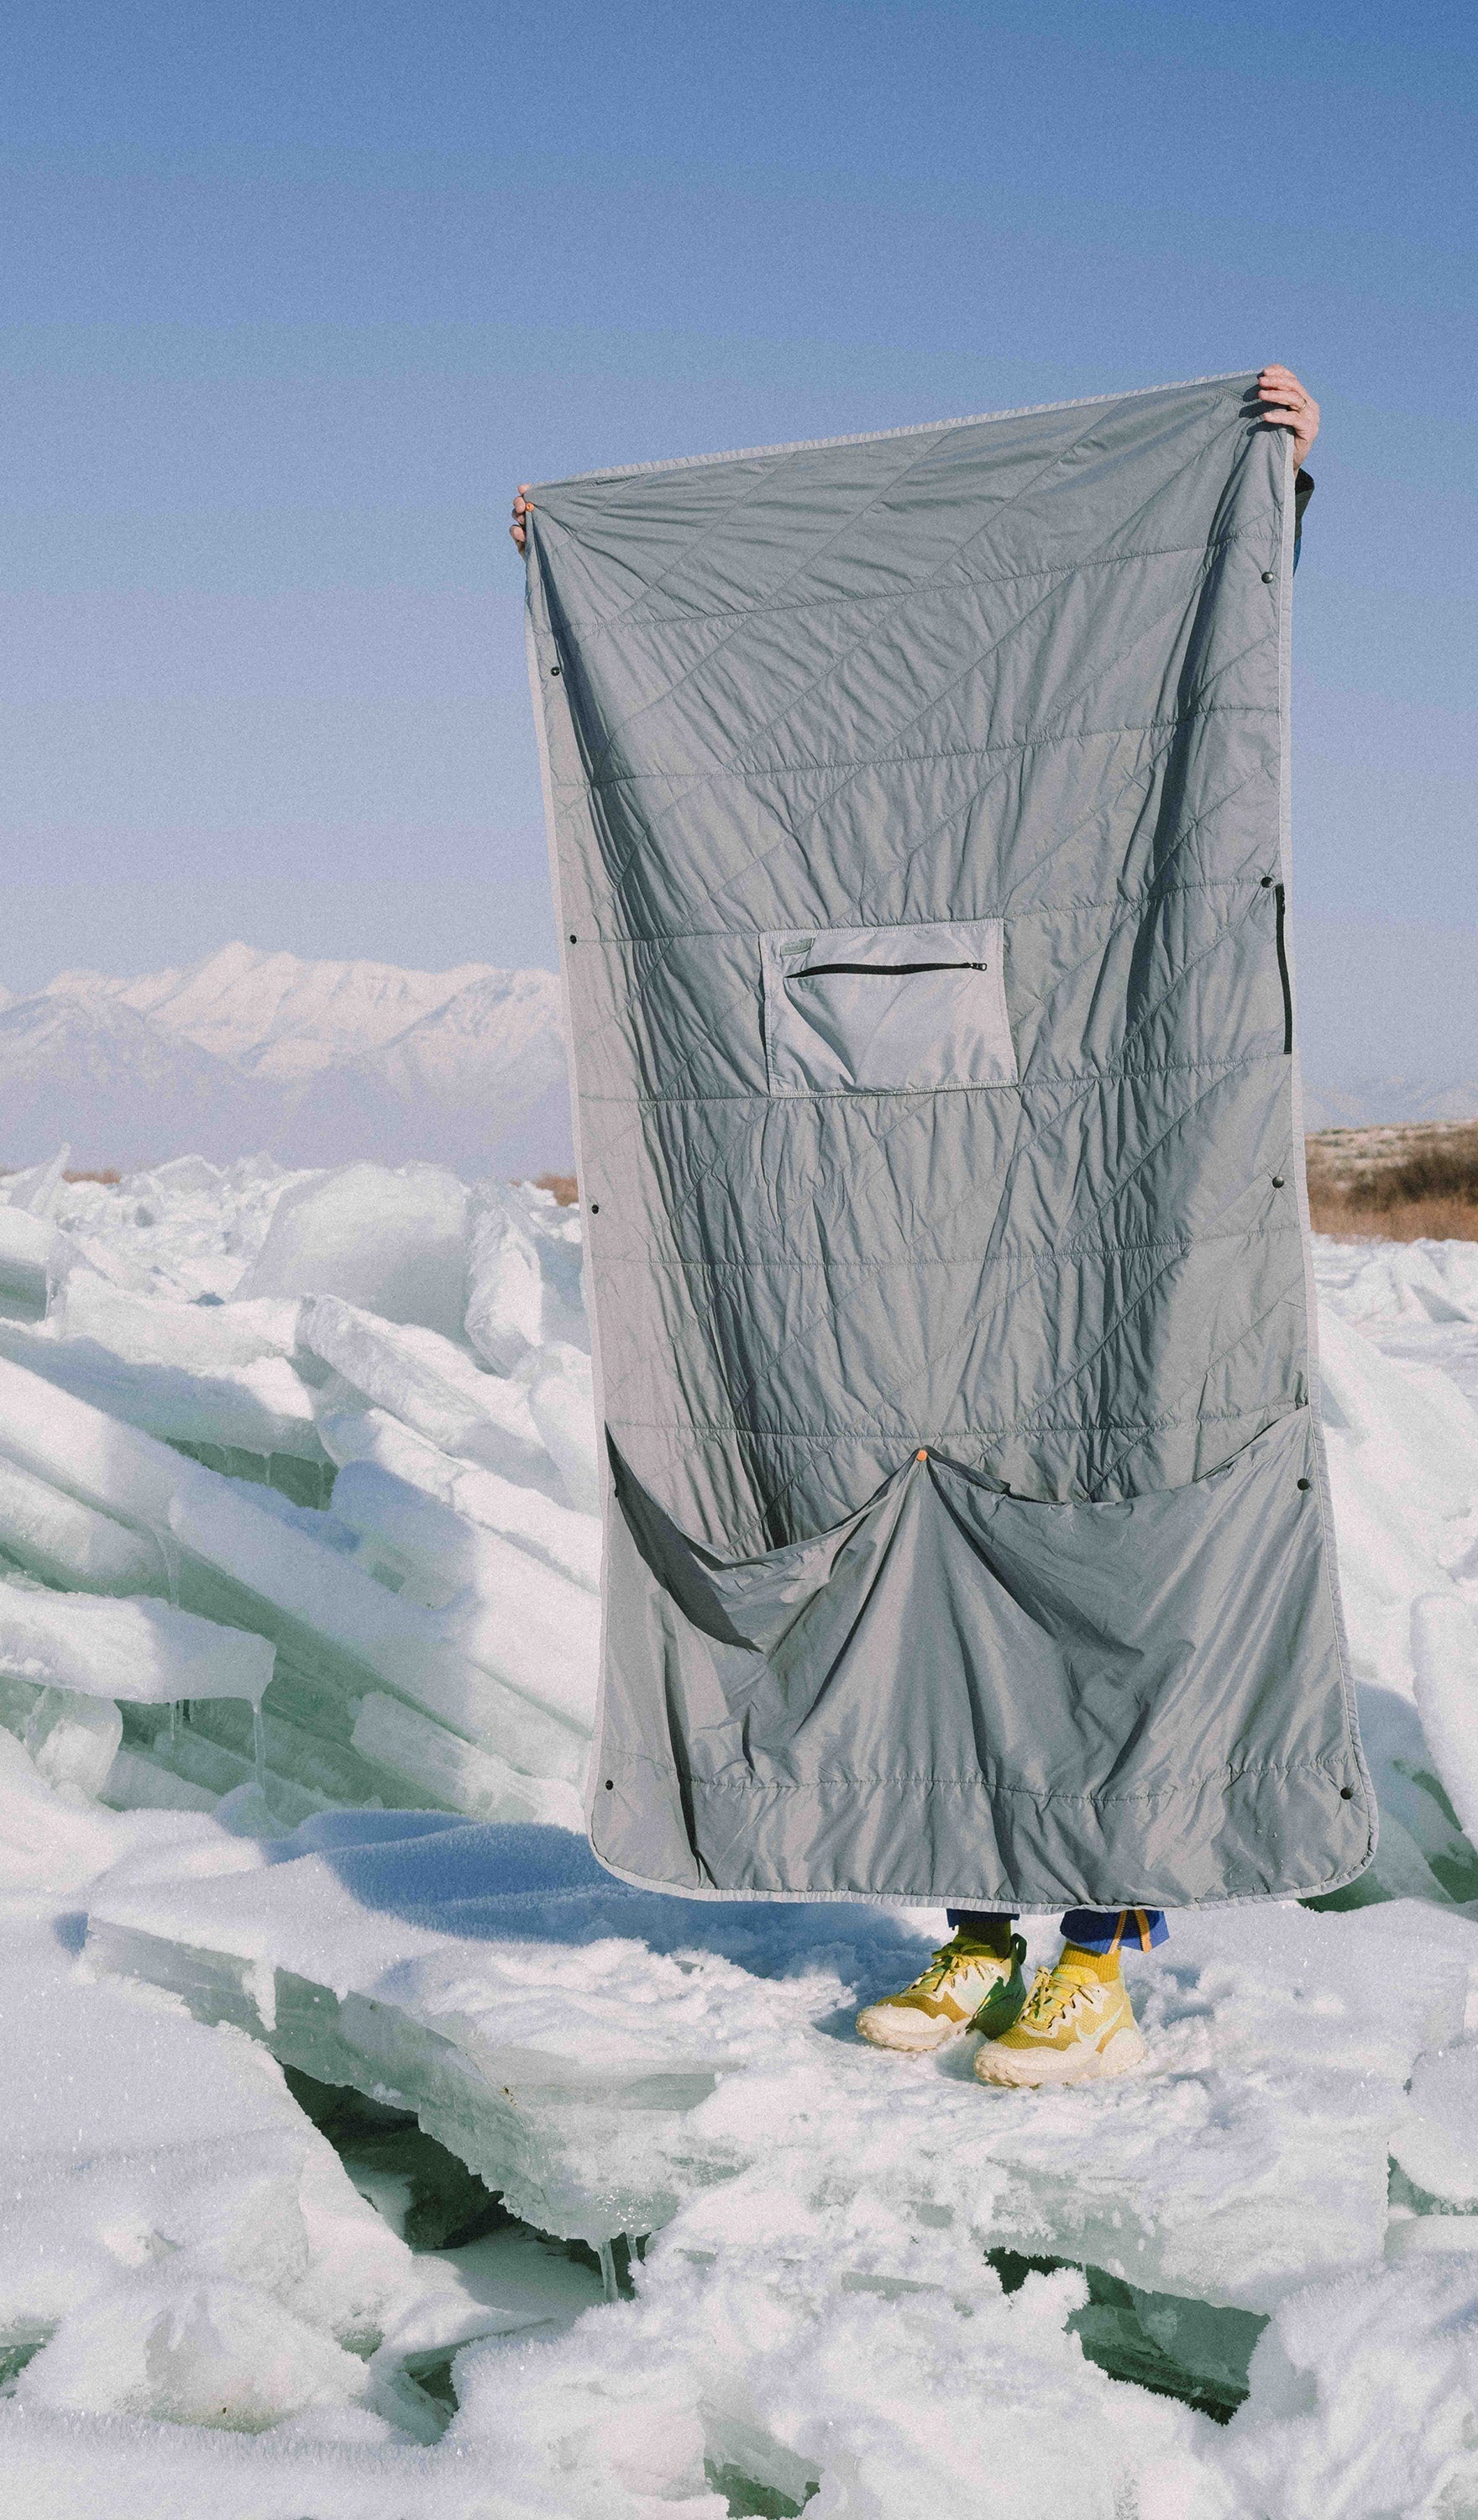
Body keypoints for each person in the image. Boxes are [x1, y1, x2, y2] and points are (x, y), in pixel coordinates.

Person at [515, 365, 1324, 2089]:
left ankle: (1103, 1948)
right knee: (913, 1524)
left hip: (1084, 1171)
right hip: (869, 1207)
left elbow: (1198, 669)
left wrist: (1267, 478)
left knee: (1095, 1507)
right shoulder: (825, 765)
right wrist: (588, 568)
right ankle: (976, 1937)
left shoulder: (1106, 663)